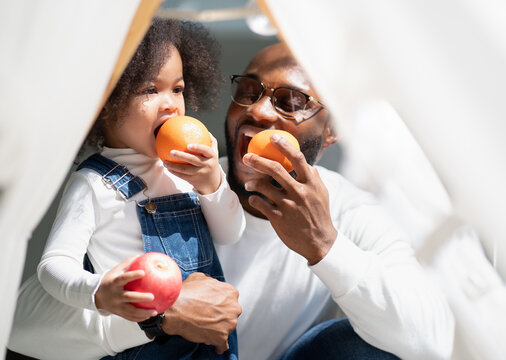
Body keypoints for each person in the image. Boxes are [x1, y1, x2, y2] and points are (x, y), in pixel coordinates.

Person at [9, 41, 455, 360]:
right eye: (250, 91)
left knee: (360, 344)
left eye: (290, 101)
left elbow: (431, 340)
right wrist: (159, 314)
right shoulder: (165, 186)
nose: (259, 111)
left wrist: (325, 246)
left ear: (332, 131)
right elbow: (20, 326)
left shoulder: (349, 211)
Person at [8, 18, 244, 360]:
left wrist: (212, 184)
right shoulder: (93, 183)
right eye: (150, 90)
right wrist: (98, 292)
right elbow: (54, 265)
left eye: (177, 89)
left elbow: (230, 233)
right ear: (105, 104)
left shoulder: (189, 169)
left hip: (208, 337)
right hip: (141, 344)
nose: (170, 104)